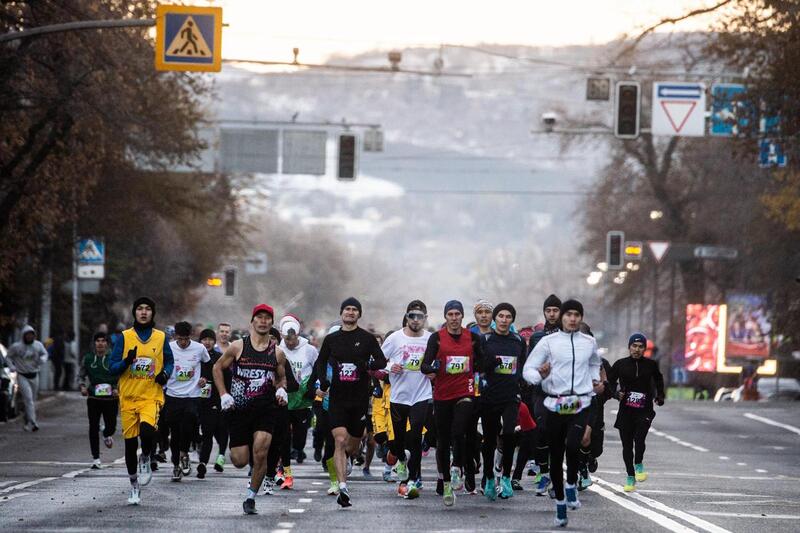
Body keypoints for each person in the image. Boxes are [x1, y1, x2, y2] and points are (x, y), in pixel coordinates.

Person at [523, 299, 601, 528]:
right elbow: (528, 369)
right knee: (556, 455)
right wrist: (539, 376)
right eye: (568, 315)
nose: (572, 319)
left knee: (573, 445)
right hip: (555, 403)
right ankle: (559, 503)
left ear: (581, 317)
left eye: (577, 315)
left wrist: (594, 379)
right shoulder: (548, 342)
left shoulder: (589, 342)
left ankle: (571, 485)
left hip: (580, 402)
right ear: (562, 317)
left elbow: (594, 363)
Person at [213, 304, 289, 515]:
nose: (263, 321)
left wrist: (281, 389)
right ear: (252, 321)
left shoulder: (277, 353)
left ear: (271, 323)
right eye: (259, 317)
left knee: (261, 453)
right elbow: (217, 367)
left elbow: (281, 377)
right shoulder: (238, 347)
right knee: (239, 460)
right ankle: (249, 468)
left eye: (267, 318)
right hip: (239, 411)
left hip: (265, 410)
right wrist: (223, 394)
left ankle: (250, 497)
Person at [315, 297, 387, 508]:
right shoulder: (332, 339)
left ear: (359, 314)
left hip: (359, 399)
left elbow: (381, 361)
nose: (350, 312)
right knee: (339, 440)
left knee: (352, 447)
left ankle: (350, 456)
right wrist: (324, 381)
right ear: (341, 313)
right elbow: (321, 361)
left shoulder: (367, 338)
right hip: (337, 398)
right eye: (347, 309)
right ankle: (343, 487)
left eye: (354, 309)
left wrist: (367, 365)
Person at [108, 297, 174, 505]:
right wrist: (126, 361)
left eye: (147, 309)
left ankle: (145, 456)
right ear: (134, 312)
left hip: (150, 396)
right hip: (128, 397)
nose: (143, 312)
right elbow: (112, 367)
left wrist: (165, 374)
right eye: (139, 309)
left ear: (152, 313)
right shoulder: (124, 337)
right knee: (129, 444)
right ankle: (134, 486)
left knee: (147, 432)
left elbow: (170, 361)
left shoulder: (160, 337)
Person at [421, 300, 484, 507]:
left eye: (457, 314)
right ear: (446, 317)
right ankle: (446, 482)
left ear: (462, 316)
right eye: (451, 314)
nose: (454, 318)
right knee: (443, 440)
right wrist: (433, 368)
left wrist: (490, 364)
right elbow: (424, 365)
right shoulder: (437, 338)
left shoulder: (472, 338)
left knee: (459, 430)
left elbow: (483, 361)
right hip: (442, 394)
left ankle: (457, 467)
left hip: (465, 391)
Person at [382, 300, 432, 499]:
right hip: (399, 396)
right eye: (412, 316)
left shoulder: (430, 339)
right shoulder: (395, 338)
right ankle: (401, 460)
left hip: (421, 395)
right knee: (398, 441)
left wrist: (434, 372)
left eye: (420, 317)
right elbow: (378, 360)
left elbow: (438, 361)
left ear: (425, 318)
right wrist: (389, 367)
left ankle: (411, 480)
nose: (416, 320)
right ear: (407, 317)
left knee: (416, 437)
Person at [479, 302, 527, 501]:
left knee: (509, 434)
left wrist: (523, 382)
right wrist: (490, 364)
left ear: (512, 320)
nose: (504, 320)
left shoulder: (518, 341)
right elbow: (478, 365)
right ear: (495, 319)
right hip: (489, 396)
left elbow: (523, 366)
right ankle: (489, 477)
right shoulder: (485, 339)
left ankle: (506, 477)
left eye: (508, 317)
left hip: (510, 395)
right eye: (500, 316)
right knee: (490, 439)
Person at [609, 333, 665, 493]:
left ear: (644, 349)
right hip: (626, 410)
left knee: (639, 438)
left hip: (644, 409)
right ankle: (630, 476)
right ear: (629, 347)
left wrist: (660, 396)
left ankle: (639, 464)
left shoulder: (651, 365)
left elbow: (659, 379)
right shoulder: (620, 364)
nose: (637, 349)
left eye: (640, 347)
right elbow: (610, 382)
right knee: (627, 445)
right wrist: (615, 393)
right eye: (634, 346)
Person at [162, 321, 210, 481]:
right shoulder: (168, 348)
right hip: (173, 394)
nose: (183, 342)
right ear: (175, 336)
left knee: (188, 425)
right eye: (180, 339)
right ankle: (176, 465)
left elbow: (209, 364)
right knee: (175, 432)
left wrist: (204, 377)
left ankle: (184, 454)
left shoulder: (199, 348)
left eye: (186, 339)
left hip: (192, 395)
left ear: (191, 336)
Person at [527, 294, 562, 496]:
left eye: (555, 310)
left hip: (563, 392)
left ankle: (557, 476)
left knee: (559, 435)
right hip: (541, 391)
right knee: (541, 429)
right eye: (548, 310)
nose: (552, 314)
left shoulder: (569, 336)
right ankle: (544, 472)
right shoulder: (536, 338)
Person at [279, 314, 319, 472]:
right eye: (287, 339)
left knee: (300, 432)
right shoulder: (278, 349)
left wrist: (313, 388)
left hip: (303, 398)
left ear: (297, 335)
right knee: (283, 432)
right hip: (284, 397)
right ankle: (285, 462)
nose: (290, 343)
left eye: (293, 339)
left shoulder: (309, 350)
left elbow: (318, 369)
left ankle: (298, 448)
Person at [79, 332, 119, 468]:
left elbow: (120, 375)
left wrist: (116, 388)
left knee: (111, 427)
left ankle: (106, 434)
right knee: (93, 427)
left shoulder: (113, 358)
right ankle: (96, 459)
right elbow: (81, 375)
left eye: (103, 341)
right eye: (98, 341)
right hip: (93, 397)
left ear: (107, 343)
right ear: (94, 343)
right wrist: (82, 386)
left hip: (110, 398)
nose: (100, 343)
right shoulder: (88, 358)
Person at [197, 328, 230, 477]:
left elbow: (228, 378)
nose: (207, 342)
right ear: (200, 341)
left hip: (216, 399)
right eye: (204, 339)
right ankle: (202, 462)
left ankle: (219, 457)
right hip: (198, 400)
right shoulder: (195, 357)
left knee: (220, 430)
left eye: (210, 339)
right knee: (206, 433)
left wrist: (226, 396)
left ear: (214, 342)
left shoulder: (219, 357)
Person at [6, 325, 49, 431]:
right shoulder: (16, 347)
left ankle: (27, 421)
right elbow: (8, 357)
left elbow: (45, 354)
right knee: (28, 399)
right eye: (27, 335)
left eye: (31, 335)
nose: (29, 337)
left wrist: (42, 359)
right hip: (22, 375)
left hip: (34, 375)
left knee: (32, 401)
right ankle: (33, 423)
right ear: (23, 335)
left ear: (34, 336)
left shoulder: (38, 345)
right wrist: (11, 366)